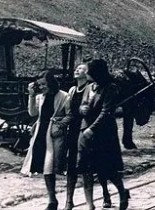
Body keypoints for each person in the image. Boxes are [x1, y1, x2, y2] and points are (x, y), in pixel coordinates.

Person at [78, 59, 130, 210]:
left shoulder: (111, 88)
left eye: (88, 70)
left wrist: (92, 129)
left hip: (103, 134)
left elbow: (106, 112)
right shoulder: (89, 87)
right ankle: (90, 205)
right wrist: (83, 109)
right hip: (85, 131)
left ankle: (122, 191)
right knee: (86, 168)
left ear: (96, 72)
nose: (86, 72)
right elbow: (82, 104)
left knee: (106, 168)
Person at [21, 71, 70, 210]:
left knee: (52, 167)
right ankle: (52, 199)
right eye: (39, 85)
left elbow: (70, 115)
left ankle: (62, 200)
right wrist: (31, 96)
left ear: (51, 83)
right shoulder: (40, 97)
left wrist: (60, 125)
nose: (41, 87)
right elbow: (33, 113)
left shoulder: (64, 96)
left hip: (55, 134)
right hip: (41, 134)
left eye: (44, 84)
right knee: (45, 167)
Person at [63, 63, 96, 210]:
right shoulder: (71, 90)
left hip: (85, 130)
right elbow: (69, 112)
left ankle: (90, 203)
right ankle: (69, 201)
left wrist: (86, 110)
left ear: (87, 73)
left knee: (85, 165)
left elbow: (94, 109)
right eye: (76, 68)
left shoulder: (91, 88)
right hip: (73, 130)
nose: (77, 70)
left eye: (81, 68)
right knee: (71, 165)